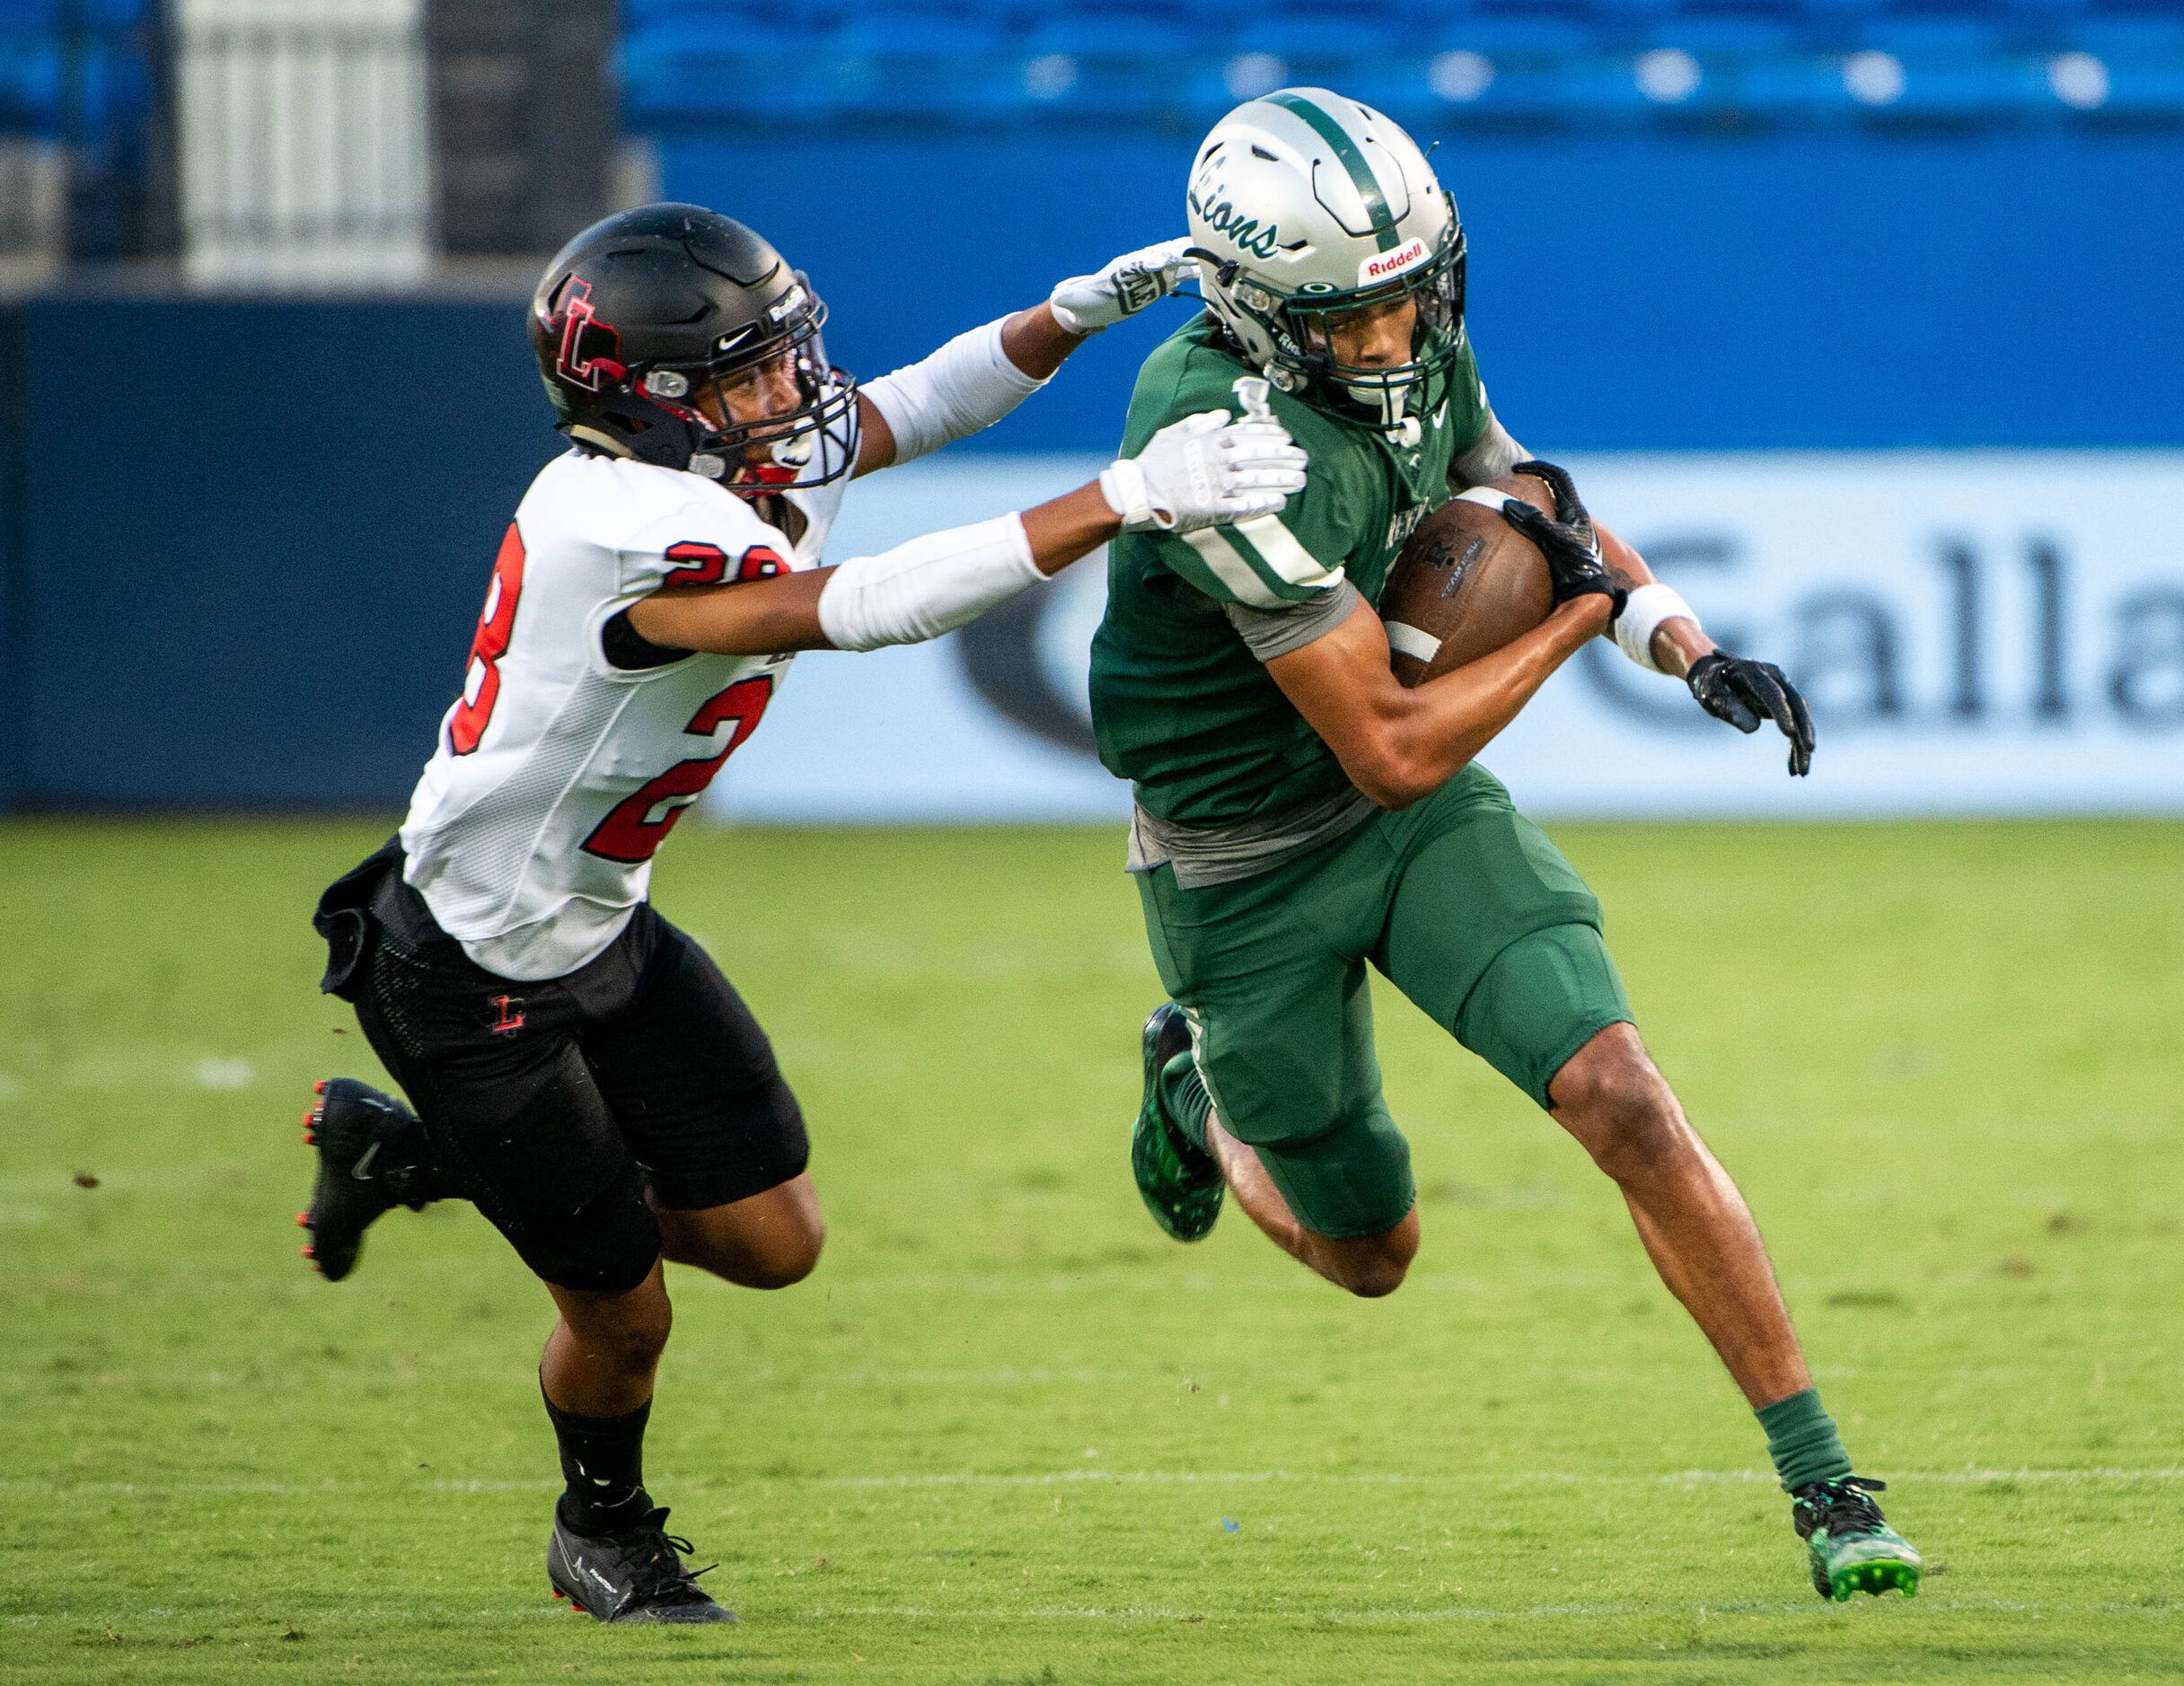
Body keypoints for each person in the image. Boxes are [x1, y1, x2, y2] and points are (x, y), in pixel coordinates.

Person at [295, 202, 1306, 1624]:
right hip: (468, 970)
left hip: (602, 917)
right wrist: (1123, 494)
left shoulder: (724, 461)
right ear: (652, 401)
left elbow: (909, 405)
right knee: (624, 1305)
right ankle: (606, 1529)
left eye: (782, 355)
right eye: (750, 371)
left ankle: (426, 1162)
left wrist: (1072, 313)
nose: (792, 391)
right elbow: (867, 603)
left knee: (777, 1238)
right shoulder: (617, 525)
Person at [1097, 90, 1920, 1603]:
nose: (1401, 337)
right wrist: (1580, 617)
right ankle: (1203, 1092)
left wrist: (1681, 638)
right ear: (1261, 310)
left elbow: (1542, 496)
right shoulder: (1212, 440)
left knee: (1620, 1089)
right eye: (1358, 318)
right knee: (1372, 1252)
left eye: (1418, 294)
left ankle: (1827, 1482)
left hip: (1406, 825)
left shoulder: (1401, 335)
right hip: (1242, 858)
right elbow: (1396, 734)